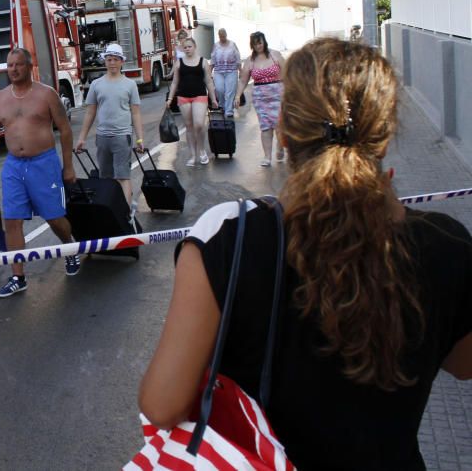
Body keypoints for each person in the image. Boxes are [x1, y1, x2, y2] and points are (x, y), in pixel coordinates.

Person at [138, 38, 472, 470]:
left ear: (288, 134)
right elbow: (464, 366)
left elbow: (162, 406)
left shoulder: (229, 236)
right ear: (384, 137)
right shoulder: (447, 243)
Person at [0, 47, 78, 297]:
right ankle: (18, 276)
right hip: (14, 165)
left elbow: (65, 130)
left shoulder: (47, 95)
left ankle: (70, 249)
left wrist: (68, 166)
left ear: (29, 66)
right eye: (9, 65)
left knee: (54, 217)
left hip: (43, 164)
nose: (13, 70)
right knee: (11, 220)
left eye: (18, 65)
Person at [74, 42, 145, 212]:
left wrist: (140, 138)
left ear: (122, 62)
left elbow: (135, 113)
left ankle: (127, 214)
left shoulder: (130, 85)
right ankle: (111, 213)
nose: (112, 62)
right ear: (104, 61)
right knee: (105, 178)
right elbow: (90, 113)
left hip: (123, 137)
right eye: (109, 59)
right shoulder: (96, 85)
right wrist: (82, 138)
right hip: (102, 137)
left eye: (115, 59)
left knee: (122, 177)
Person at [165, 37, 218, 166]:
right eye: (185, 47)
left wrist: (213, 98)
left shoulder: (203, 61)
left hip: (200, 95)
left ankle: (202, 150)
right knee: (189, 126)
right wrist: (170, 98)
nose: (187, 49)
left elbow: (209, 81)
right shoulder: (179, 63)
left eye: (190, 46)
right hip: (183, 97)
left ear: (195, 47)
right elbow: (175, 82)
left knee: (199, 124)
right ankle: (193, 155)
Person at [235, 32, 285, 167]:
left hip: (277, 95)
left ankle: (280, 147)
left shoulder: (275, 55)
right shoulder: (250, 60)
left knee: (279, 125)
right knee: (265, 127)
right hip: (260, 97)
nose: (258, 46)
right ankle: (267, 156)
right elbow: (243, 80)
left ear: (264, 42)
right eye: (255, 43)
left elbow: (287, 73)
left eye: (260, 42)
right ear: (252, 45)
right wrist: (238, 95)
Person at [209, 28, 241, 118]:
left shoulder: (232, 44)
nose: (223, 38)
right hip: (219, 71)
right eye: (221, 36)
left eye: (224, 36)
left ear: (226, 35)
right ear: (219, 36)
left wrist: (240, 70)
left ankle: (229, 111)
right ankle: (222, 105)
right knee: (219, 89)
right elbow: (212, 59)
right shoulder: (216, 46)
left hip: (231, 71)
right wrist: (209, 71)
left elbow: (238, 58)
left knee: (229, 92)